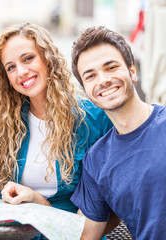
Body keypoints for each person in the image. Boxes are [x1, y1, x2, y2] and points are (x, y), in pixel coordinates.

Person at [0, 23, 112, 214]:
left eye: (28, 59)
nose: (21, 72)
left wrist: (37, 200)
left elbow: (101, 205)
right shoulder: (8, 123)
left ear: (47, 58)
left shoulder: (95, 119)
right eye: (11, 67)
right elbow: (3, 193)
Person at [70, 26, 166, 239]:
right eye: (90, 75)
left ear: (132, 72)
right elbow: (85, 236)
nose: (103, 80)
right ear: (86, 90)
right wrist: (37, 201)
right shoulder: (96, 160)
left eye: (111, 67)